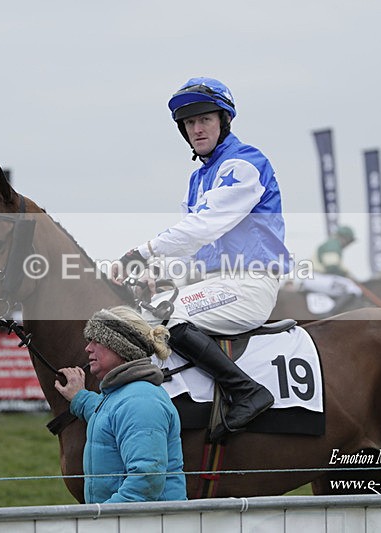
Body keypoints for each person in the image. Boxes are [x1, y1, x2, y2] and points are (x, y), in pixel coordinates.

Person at [110, 77, 291, 440]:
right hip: (214, 283)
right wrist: (154, 273)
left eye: (205, 119)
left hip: (249, 284)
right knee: (140, 314)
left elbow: (202, 227)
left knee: (165, 318)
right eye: (190, 123)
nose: (197, 129)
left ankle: (247, 391)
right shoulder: (198, 179)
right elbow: (192, 247)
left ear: (224, 121)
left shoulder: (245, 164)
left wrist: (139, 254)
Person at [55, 306, 186, 503]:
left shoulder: (141, 401)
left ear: (121, 347)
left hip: (138, 520)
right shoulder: (124, 394)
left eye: (97, 340)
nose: (88, 348)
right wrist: (79, 398)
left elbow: (144, 484)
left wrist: (102, 517)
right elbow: (108, 414)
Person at [301, 225, 362, 303]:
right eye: (350, 241)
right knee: (353, 289)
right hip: (317, 277)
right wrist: (346, 275)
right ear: (345, 238)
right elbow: (332, 268)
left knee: (351, 287)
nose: (349, 244)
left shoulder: (333, 245)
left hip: (317, 277)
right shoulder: (332, 245)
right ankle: (334, 311)